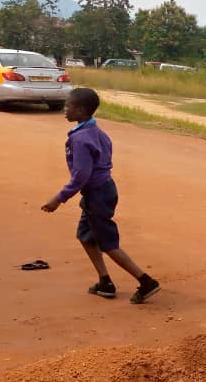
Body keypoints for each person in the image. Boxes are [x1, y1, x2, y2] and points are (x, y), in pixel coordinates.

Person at [40, 87, 160, 304]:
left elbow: (81, 175)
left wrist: (59, 198)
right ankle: (104, 281)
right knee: (85, 236)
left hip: (97, 194)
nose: (65, 110)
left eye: (70, 106)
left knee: (108, 243)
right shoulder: (97, 133)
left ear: (83, 110)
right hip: (104, 189)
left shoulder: (81, 139)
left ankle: (146, 281)